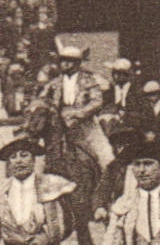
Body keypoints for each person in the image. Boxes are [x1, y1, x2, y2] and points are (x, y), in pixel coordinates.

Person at [38, 42, 114, 170]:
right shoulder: (55, 83)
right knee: (47, 155)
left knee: (105, 154)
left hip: (85, 123)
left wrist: (78, 113)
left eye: (70, 61)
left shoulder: (88, 80)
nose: (65, 64)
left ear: (77, 63)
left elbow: (97, 101)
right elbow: (42, 98)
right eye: (63, 61)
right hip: (60, 123)